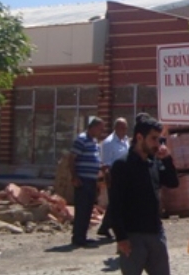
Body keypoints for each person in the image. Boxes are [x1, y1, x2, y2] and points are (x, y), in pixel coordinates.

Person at [108, 114, 179, 275]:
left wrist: (167, 159)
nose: (157, 144)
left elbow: (173, 183)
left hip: (156, 233)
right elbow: (115, 205)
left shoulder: (153, 162)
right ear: (140, 137)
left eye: (159, 139)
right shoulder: (122, 165)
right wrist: (121, 237)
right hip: (133, 237)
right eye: (153, 139)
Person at [69, 116, 105, 247]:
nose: (101, 131)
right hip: (82, 180)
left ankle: (83, 236)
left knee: (88, 209)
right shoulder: (82, 139)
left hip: (92, 180)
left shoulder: (94, 142)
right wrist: (74, 176)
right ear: (93, 127)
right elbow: (72, 159)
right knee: (82, 209)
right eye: (100, 129)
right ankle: (77, 237)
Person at [98, 117, 130, 239]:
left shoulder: (126, 140)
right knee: (115, 204)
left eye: (126, 128)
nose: (124, 130)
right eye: (122, 128)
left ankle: (106, 226)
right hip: (114, 176)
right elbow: (105, 164)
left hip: (125, 176)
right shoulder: (108, 143)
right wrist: (108, 180)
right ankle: (109, 227)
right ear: (116, 128)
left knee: (121, 203)